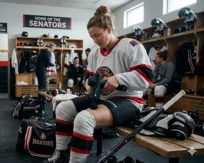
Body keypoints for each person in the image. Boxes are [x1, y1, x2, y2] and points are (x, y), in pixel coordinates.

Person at [44, 5, 152, 163]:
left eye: (98, 35)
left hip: (128, 100)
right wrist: (89, 84)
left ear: (108, 29)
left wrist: (119, 78)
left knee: (83, 119)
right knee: (62, 108)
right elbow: (89, 77)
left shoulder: (130, 46)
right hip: (101, 98)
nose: (95, 40)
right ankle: (61, 153)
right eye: (92, 37)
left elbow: (146, 79)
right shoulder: (94, 52)